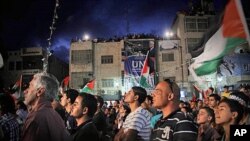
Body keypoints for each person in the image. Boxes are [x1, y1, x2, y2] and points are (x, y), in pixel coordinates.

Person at [21, 72, 72, 141]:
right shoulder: (55, 115)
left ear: (40, 92)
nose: (25, 91)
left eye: (30, 86)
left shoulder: (36, 118)